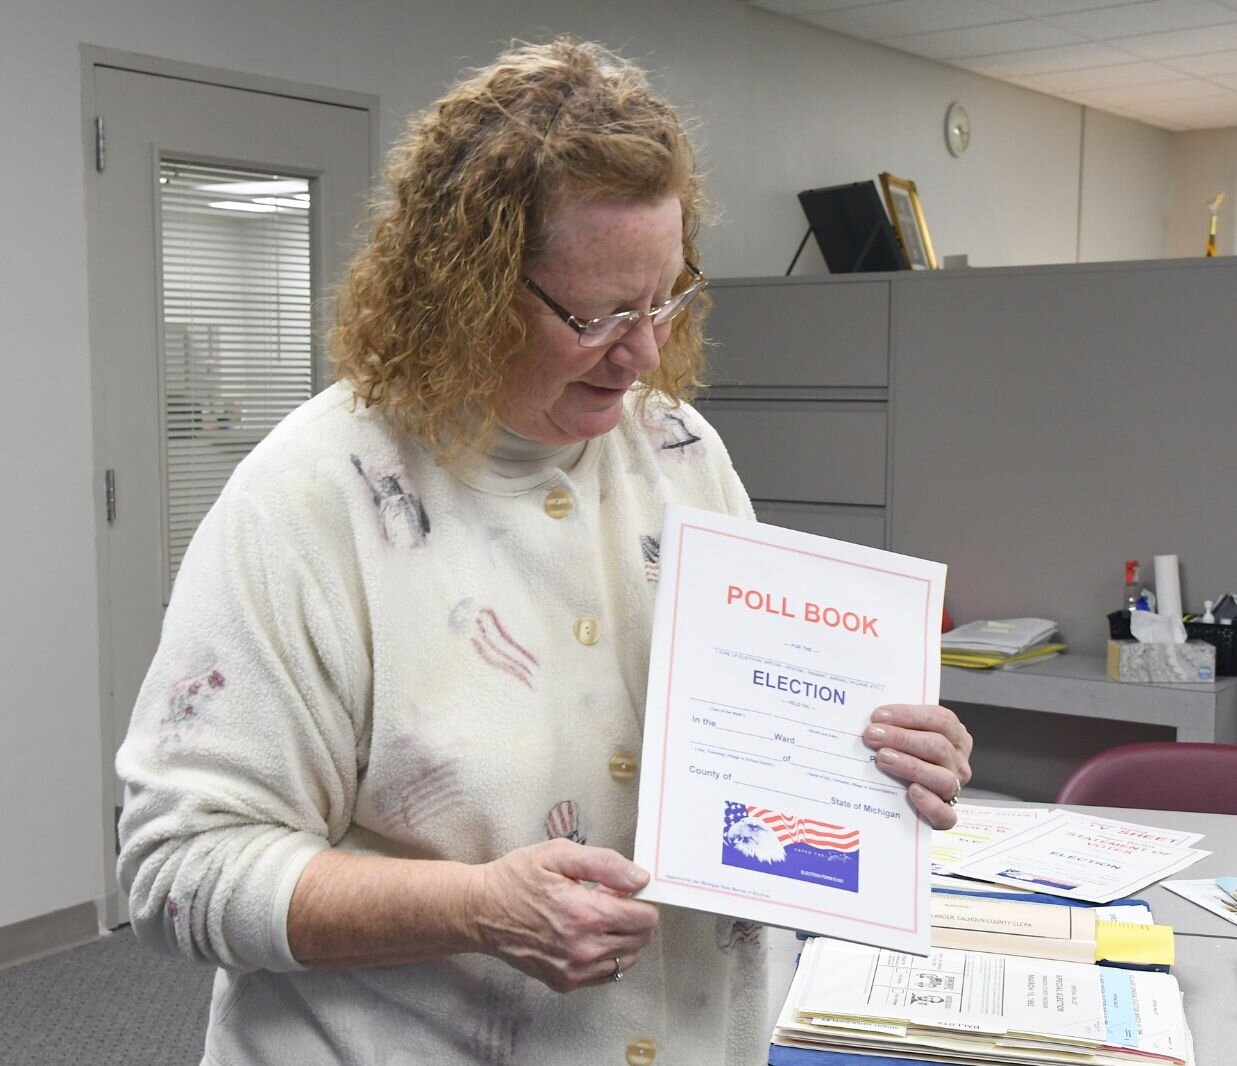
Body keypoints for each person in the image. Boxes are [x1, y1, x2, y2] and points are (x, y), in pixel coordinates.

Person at [116, 36, 973, 1066]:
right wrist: (477, 907)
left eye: (663, 297)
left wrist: (875, 761)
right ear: (464, 288)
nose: (647, 350)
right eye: (600, 312)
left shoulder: (681, 453)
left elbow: (747, 753)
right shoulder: (312, 497)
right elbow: (178, 870)